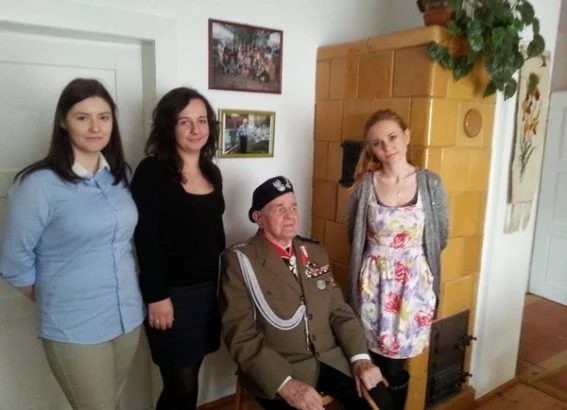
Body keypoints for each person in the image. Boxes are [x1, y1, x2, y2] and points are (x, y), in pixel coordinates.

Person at [0, 78, 144, 409]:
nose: (95, 127)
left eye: (104, 117)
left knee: (113, 401)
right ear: (63, 122)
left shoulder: (121, 175)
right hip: (74, 324)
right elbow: (13, 261)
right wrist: (56, 295)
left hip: (126, 315)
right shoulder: (38, 184)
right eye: (82, 117)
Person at [219, 176, 396, 410]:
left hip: (330, 358)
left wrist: (360, 358)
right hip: (282, 368)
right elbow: (240, 336)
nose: (290, 216)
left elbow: (339, 312)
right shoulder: (240, 261)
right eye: (279, 208)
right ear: (258, 218)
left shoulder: (314, 252)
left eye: (293, 207)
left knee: (383, 403)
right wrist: (285, 384)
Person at [347, 109, 449, 410]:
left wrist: (408, 262)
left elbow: (440, 236)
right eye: (377, 143)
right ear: (371, 148)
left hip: (412, 289)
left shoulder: (430, 183)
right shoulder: (364, 185)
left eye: (392, 137)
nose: (387, 147)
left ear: (406, 136)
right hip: (372, 285)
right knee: (371, 361)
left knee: (395, 367)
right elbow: (353, 236)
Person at [130, 87, 225, 410]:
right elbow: (145, 238)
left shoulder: (212, 171)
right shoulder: (152, 171)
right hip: (170, 295)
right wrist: (156, 296)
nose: (196, 129)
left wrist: (225, 287)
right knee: (180, 384)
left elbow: (215, 233)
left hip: (207, 292)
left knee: (192, 375)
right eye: (185, 122)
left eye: (202, 120)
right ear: (168, 127)